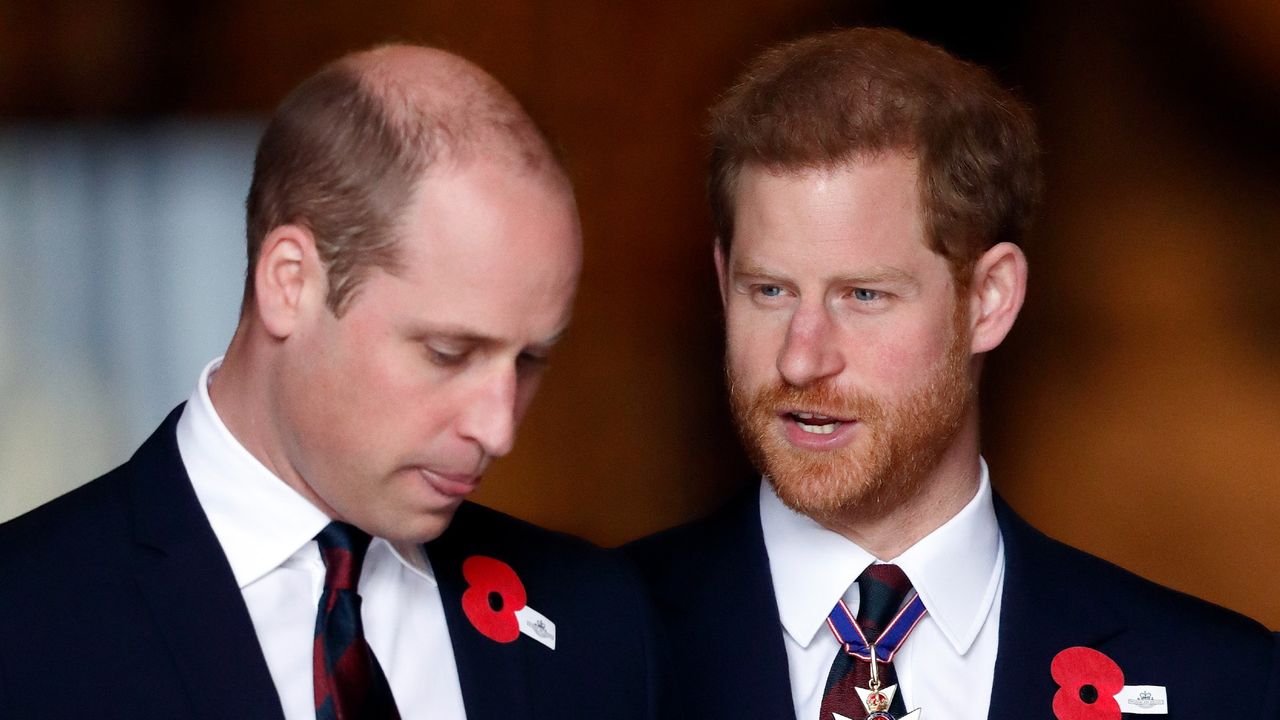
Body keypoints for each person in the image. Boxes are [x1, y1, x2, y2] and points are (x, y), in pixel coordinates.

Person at [626, 27, 1278, 719]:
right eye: (770, 291)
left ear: (989, 300)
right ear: (724, 280)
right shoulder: (577, 645)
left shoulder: (1225, 684)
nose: (800, 357)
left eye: (864, 295)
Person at [0, 45, 663, 719]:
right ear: (291, 283)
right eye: (447, 352)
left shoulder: (595, 619)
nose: (499, 429)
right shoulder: (23, 620)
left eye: (527, 362)